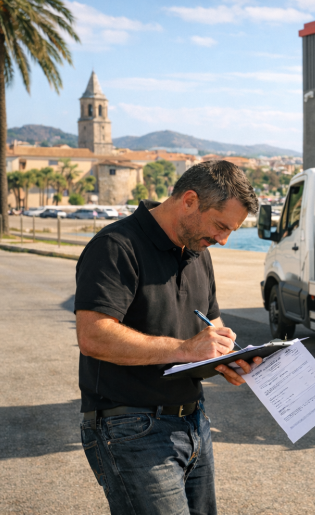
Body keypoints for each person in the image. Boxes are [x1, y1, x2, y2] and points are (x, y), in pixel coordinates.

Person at [75, 160, 259, 514]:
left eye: (230, 231)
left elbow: (210, 321)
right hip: (131, 427)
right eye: (221, 226)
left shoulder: (197, 251)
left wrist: (227, 355)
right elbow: (93, 335)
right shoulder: (116, 245)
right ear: (189, 200)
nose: (222, 240)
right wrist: (186, 349)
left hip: (193, 421)